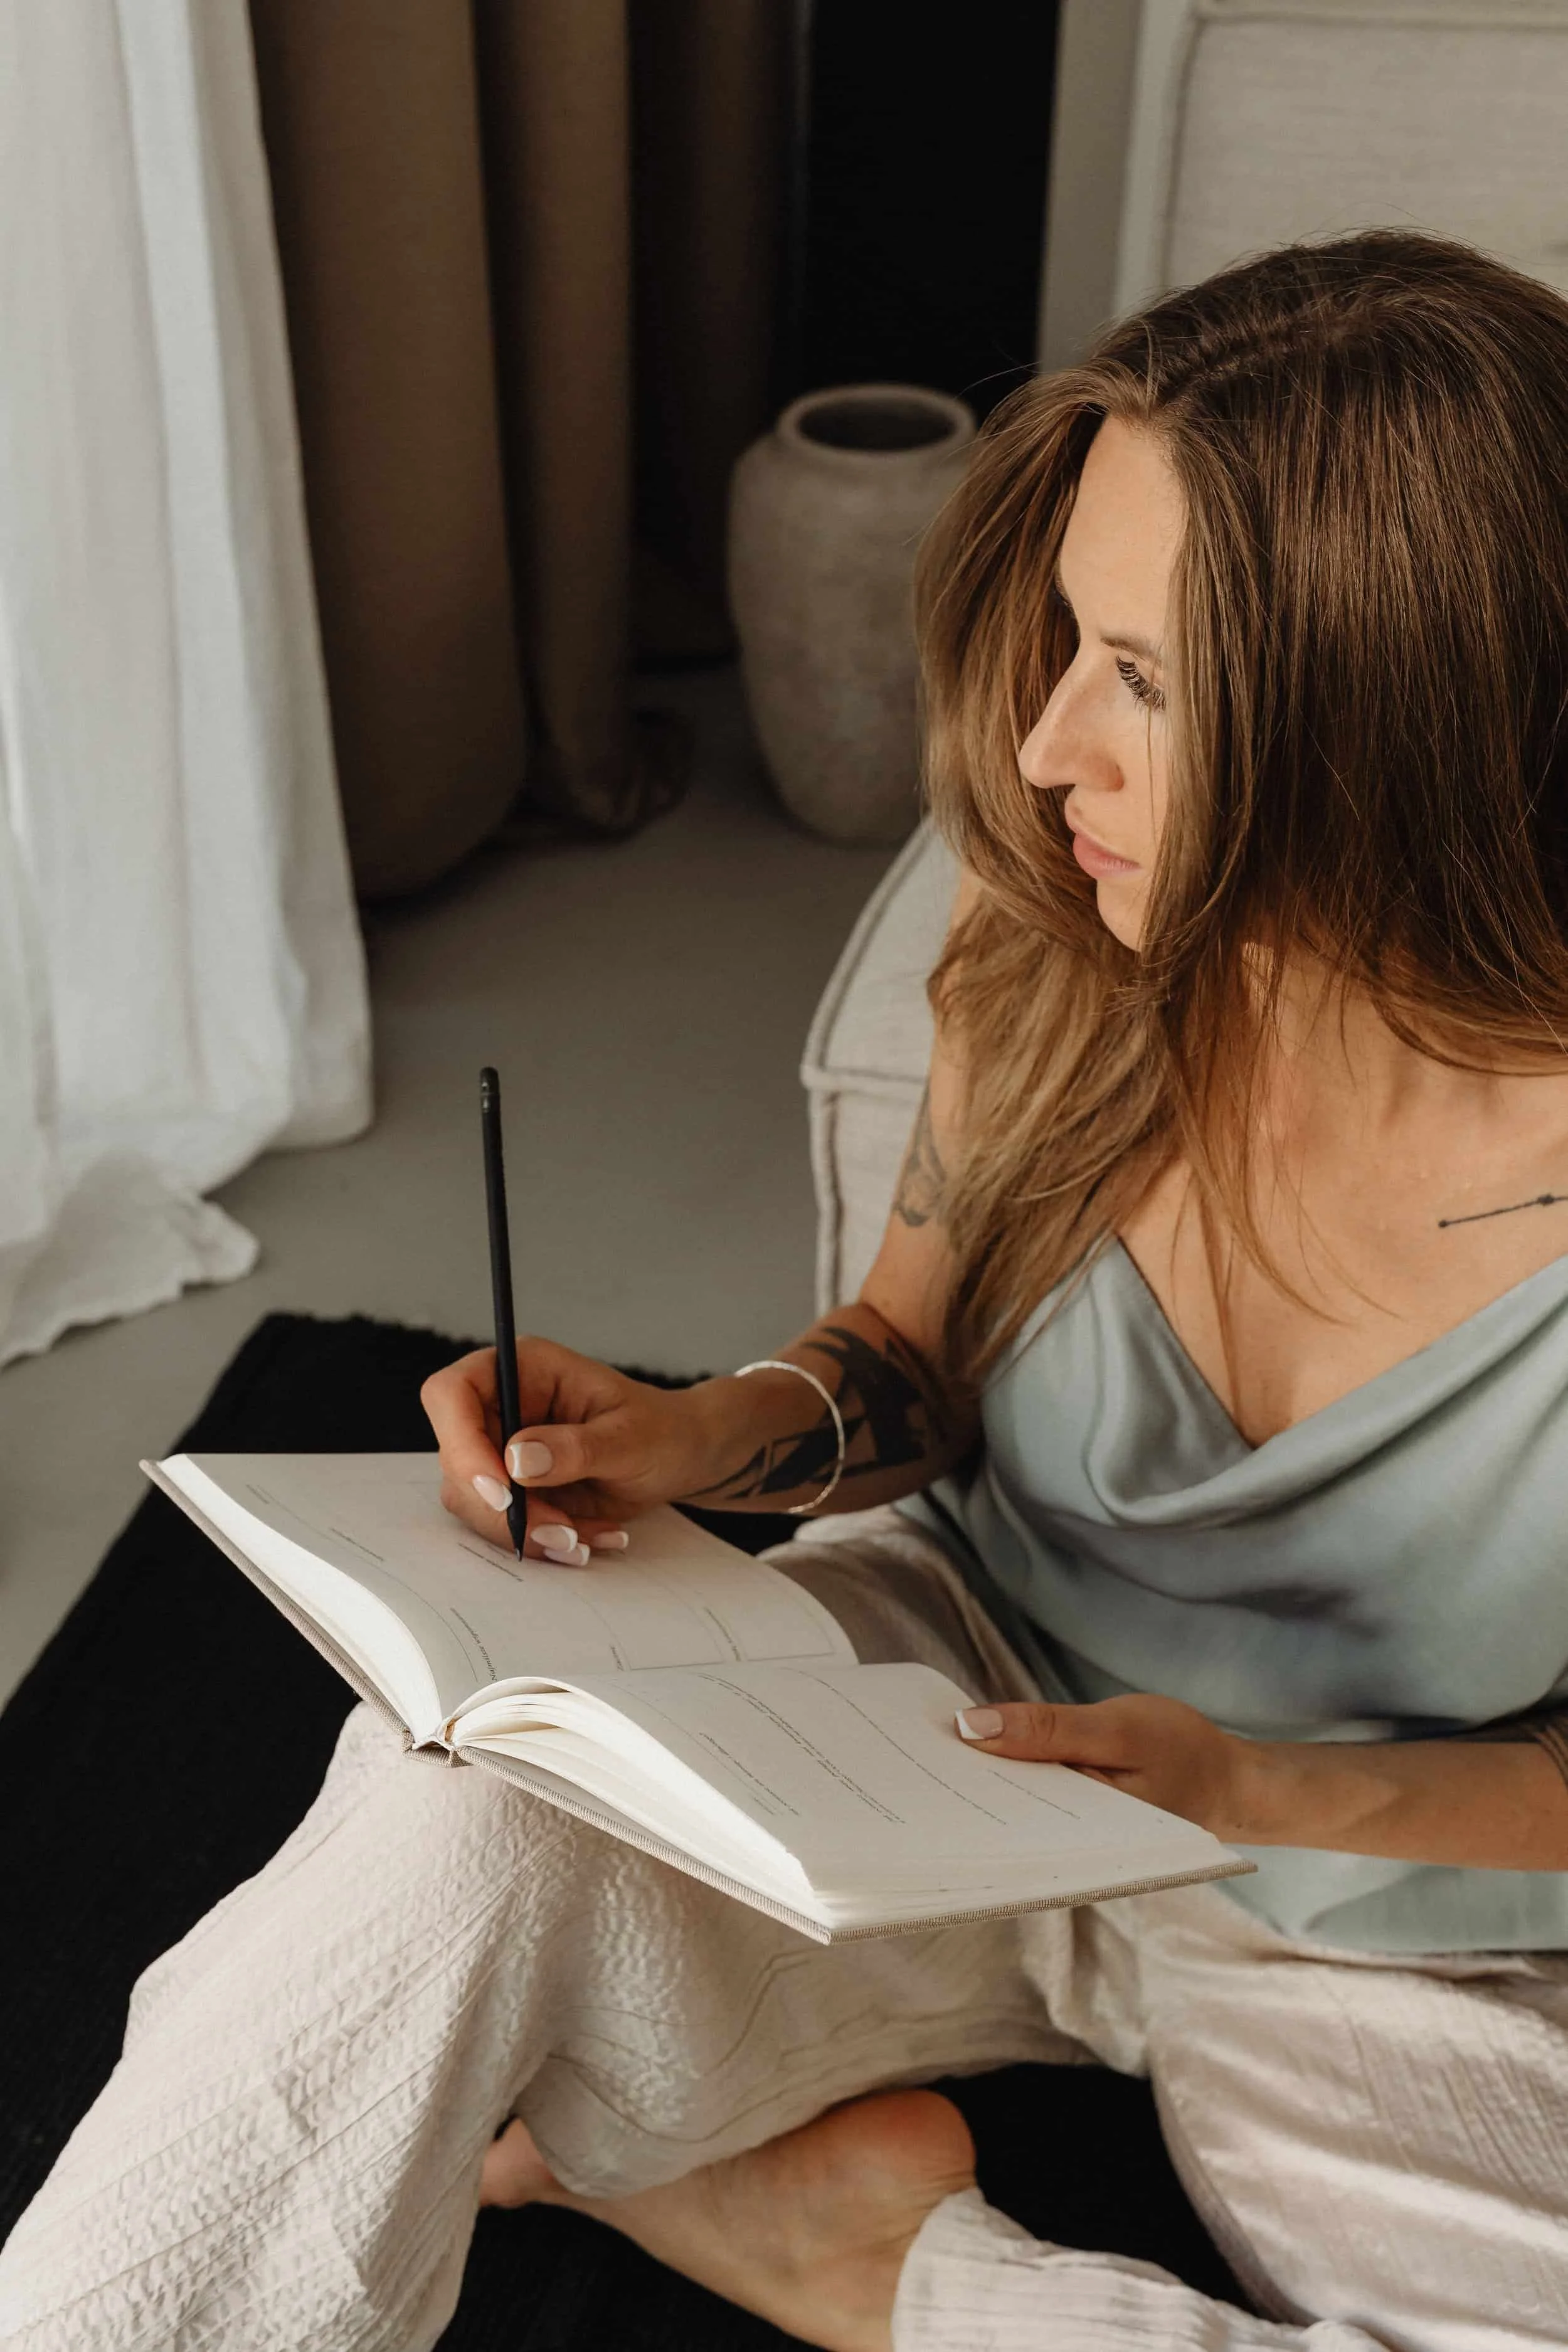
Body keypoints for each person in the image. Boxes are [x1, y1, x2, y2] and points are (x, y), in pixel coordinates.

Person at [6, 227, 1568, 2351]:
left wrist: (1257, 1789)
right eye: (1063, 642)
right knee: (451, 1813)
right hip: (940, 1728)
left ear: (1392, 727)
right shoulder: (1057, 942)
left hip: (1389, 1906)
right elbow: (902, 1366)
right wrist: (702, 1435)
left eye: (1142, 680)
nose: (1039, 751)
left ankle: (870, 2257)